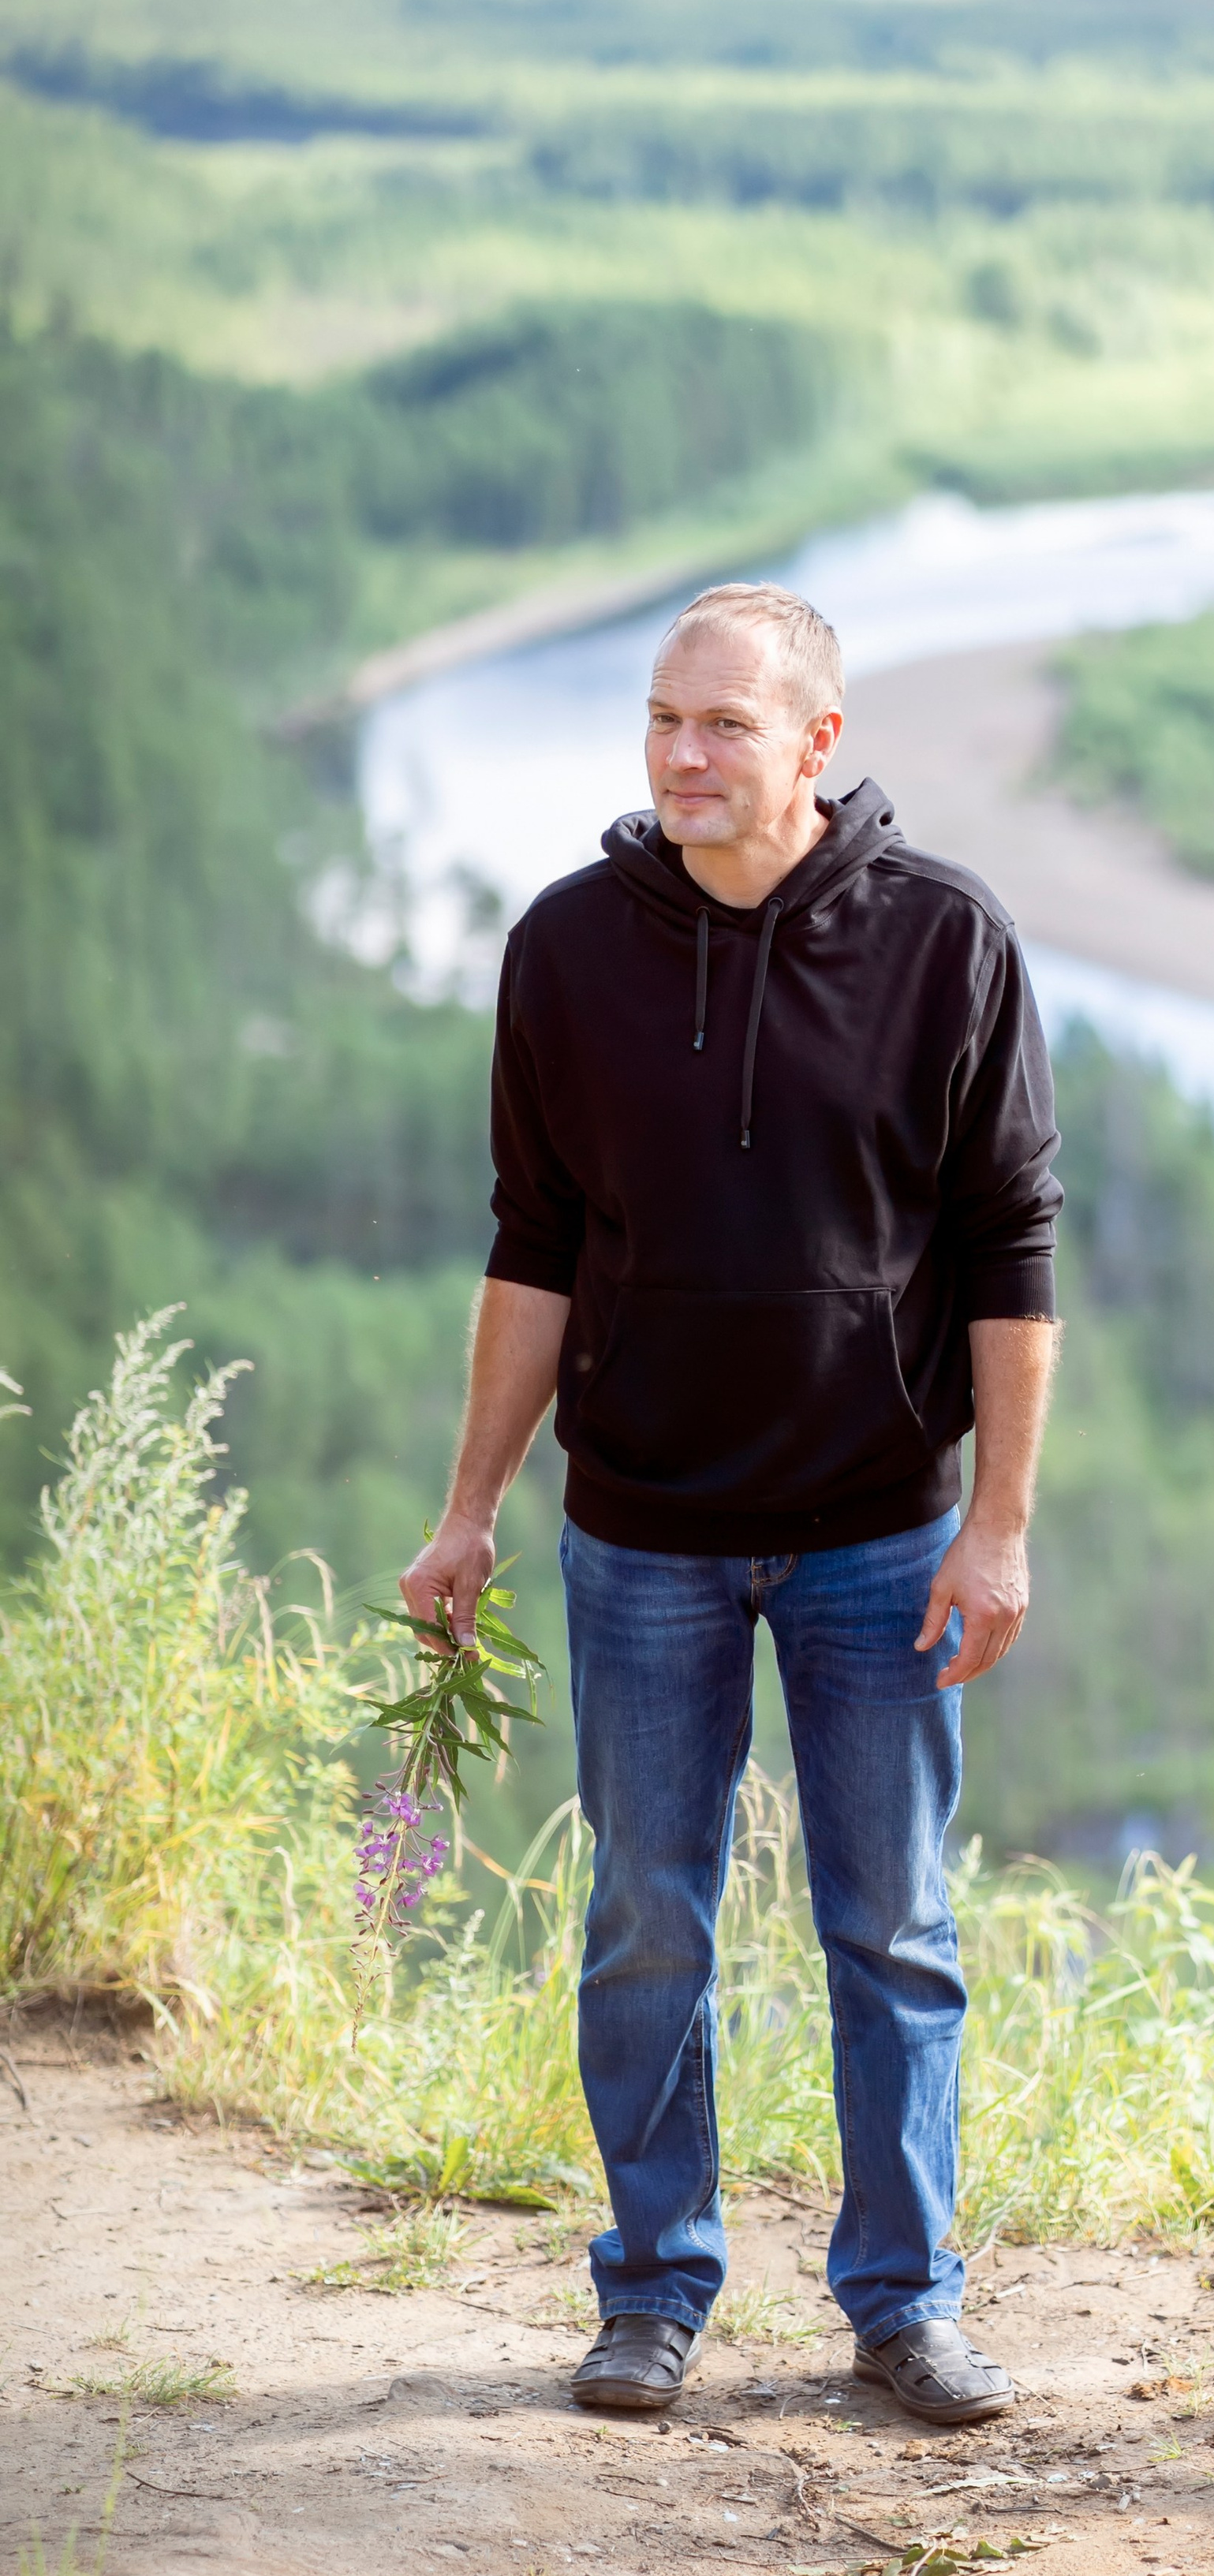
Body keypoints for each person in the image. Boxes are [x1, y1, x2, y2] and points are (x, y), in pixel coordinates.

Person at [398, 581, 1062, 2427]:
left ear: (818, 747)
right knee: (647, 1921)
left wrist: (997, 1526)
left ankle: (903, 2301)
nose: (684, 758)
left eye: (725, 728)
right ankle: (652, 2291)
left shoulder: (948, 943)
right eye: (662, 722)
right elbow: (531, 1246)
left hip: (880, 1528)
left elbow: (1013, 1248)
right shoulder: (566, 950)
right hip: (640, 1532)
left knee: (892, 1928)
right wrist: (469, 1506)